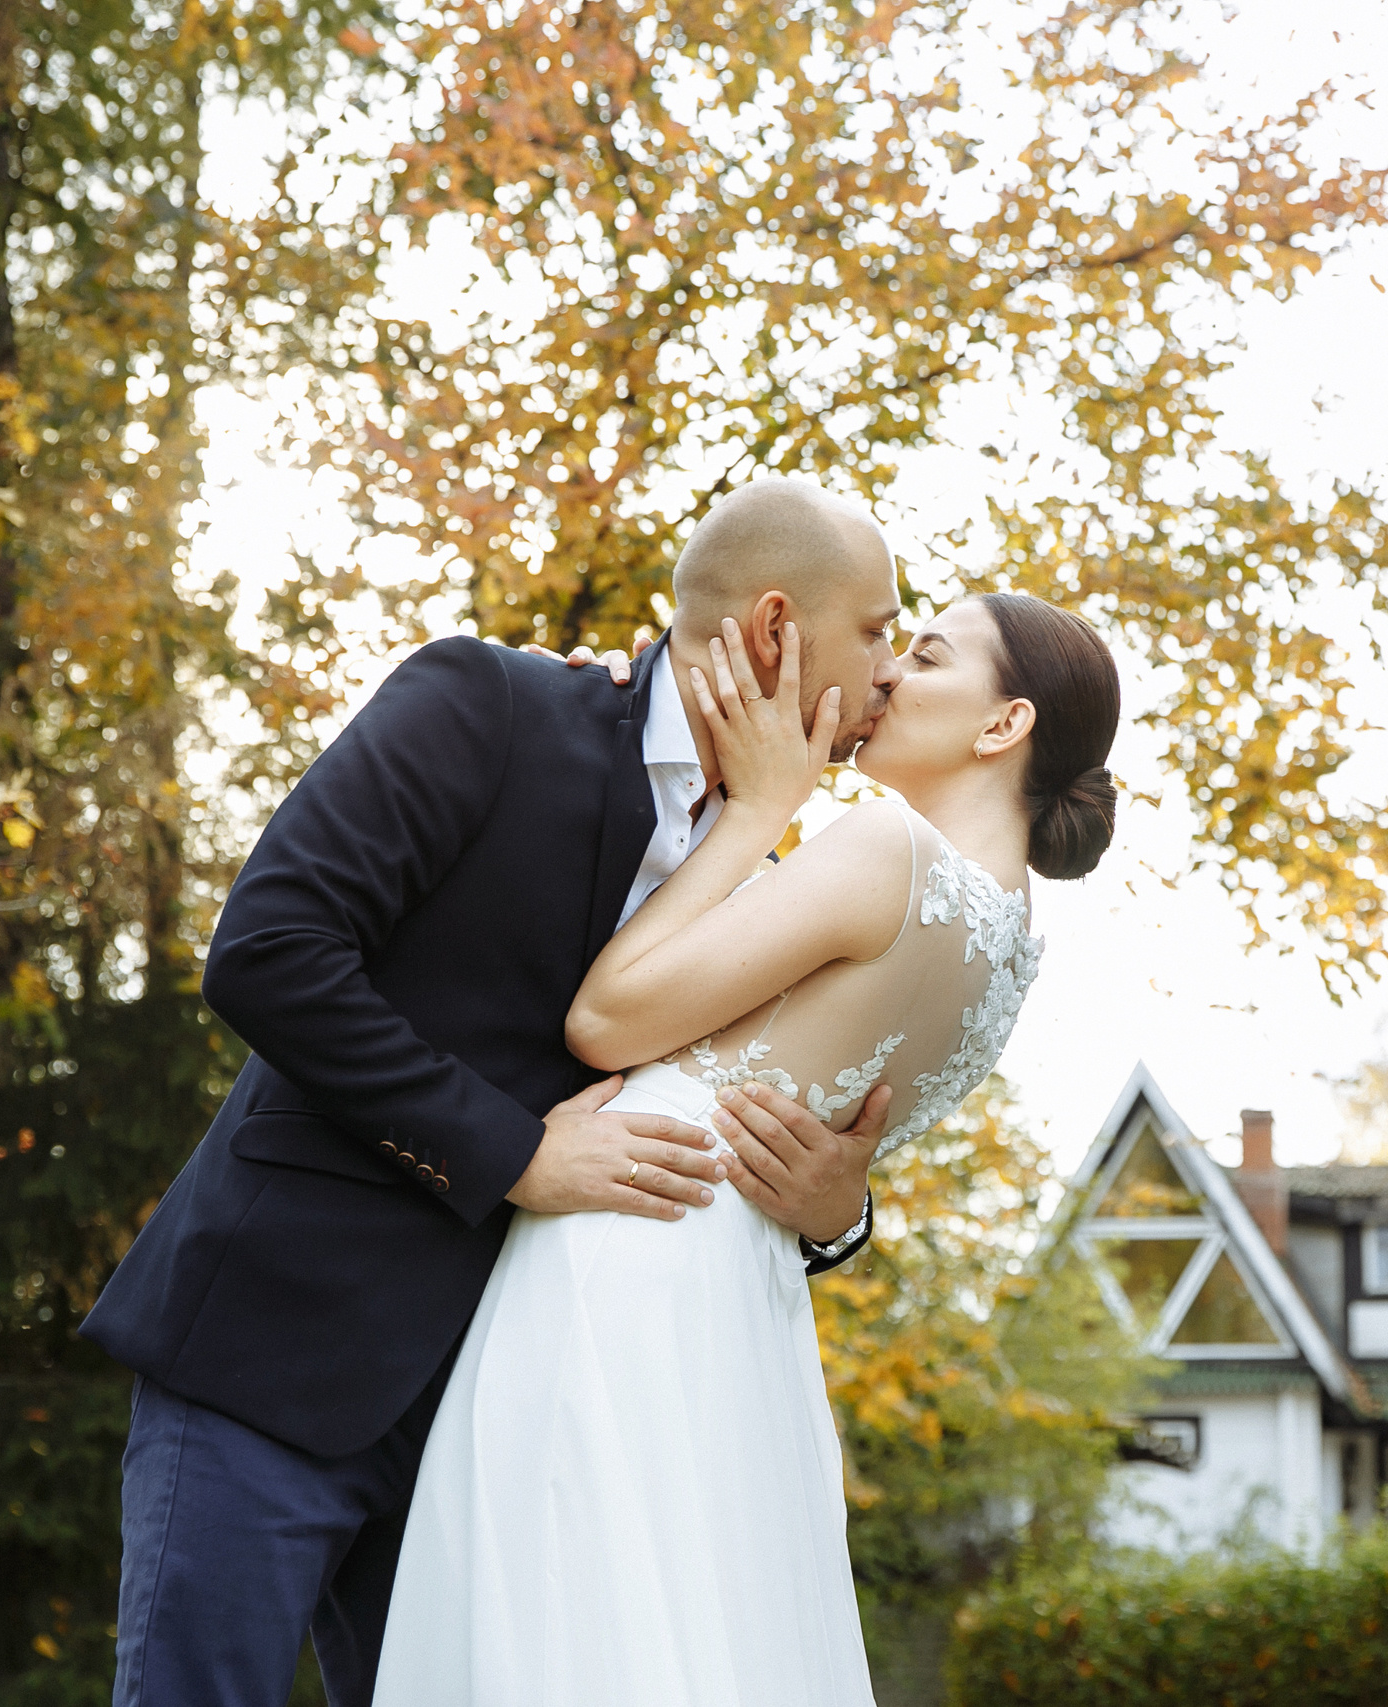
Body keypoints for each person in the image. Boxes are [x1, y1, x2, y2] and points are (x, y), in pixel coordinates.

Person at [80, 480, 917, 1706]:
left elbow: (714, 1154)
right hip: (274, 1348)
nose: (893, 671)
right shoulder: (489, 704)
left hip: (503, 1435)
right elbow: (270, 951)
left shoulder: (774, 873)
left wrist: (833, 1210)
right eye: (880, 629)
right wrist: (512, 1153)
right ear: (778, 629)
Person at [369, 589, 1120, 1704]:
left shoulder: (887, 849)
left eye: (921, 656)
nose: (883, 679)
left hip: (627, 1239)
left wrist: (760, 806)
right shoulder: (1010, 956)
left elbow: (608, 1019)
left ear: (1002, 726)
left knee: (565, 1626)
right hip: (743, 1298)